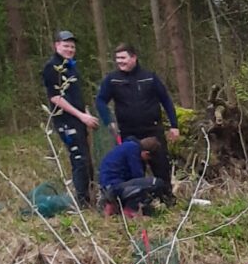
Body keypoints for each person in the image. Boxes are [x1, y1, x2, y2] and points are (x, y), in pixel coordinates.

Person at [96, 44, 181, 202]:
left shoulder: (149, 77)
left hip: (152, 129)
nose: (119, 61)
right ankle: (138, 202)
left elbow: (166, 100)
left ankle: (167, 198)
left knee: (161, 165)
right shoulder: (112, 79)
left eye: (123, 58)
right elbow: (100, 100)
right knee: (133, 170)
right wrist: (109, 120)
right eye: (117, 58)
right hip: (128, 133)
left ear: (134, 57)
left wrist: (174, 125)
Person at [40, 28, 97, 207]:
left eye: (72, 47)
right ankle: (82, 203)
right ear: (57, 45)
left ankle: (91, 196)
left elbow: (75, 95)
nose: (70, 49)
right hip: (66, 121)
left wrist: (85, 112)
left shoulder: (71, 67)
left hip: (79, 120)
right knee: (79, 159)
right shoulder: (52, 67)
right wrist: (80, 115)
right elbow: (56, 98)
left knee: (87, 160)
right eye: (66, 46)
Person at [97, 133, 163, 216]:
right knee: (156, 183)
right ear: (146, 153)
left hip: (108, 186)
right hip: (114, 187)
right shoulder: (133, 151)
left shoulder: (128, 146)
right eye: (148, 158)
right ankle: (130, 210)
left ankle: (115, 207)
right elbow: (138, 176)